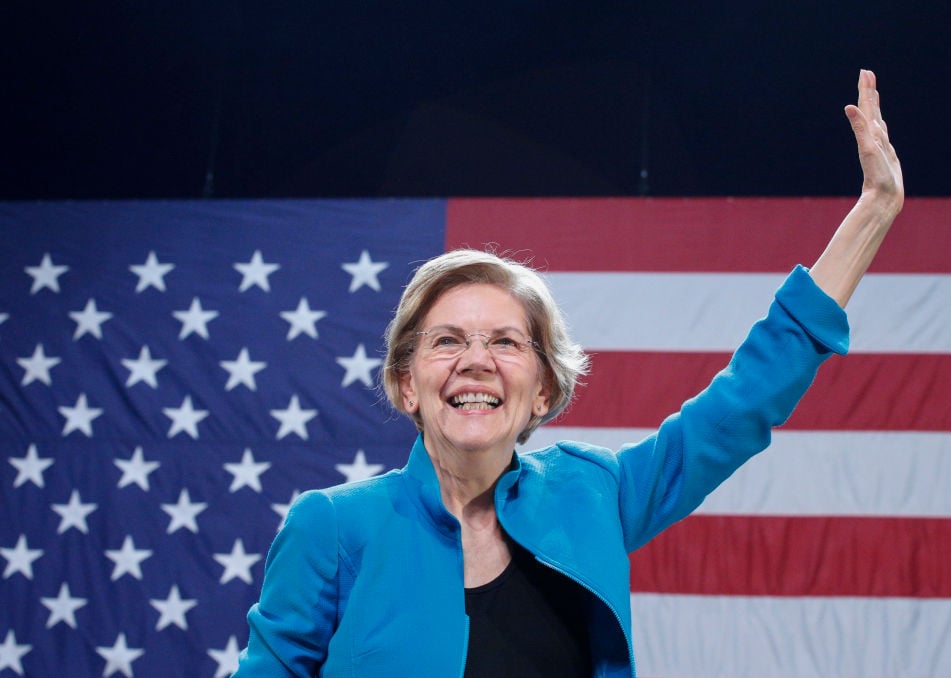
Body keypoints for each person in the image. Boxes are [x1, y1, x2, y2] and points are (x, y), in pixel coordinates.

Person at [234, 69, 904, 677]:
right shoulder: (332, 528)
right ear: (408, 383)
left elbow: (738, 408)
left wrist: (872, 211)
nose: (476, 359)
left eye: (505, 341)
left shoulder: (593, 495)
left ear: (543, 389)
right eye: (446, 341)